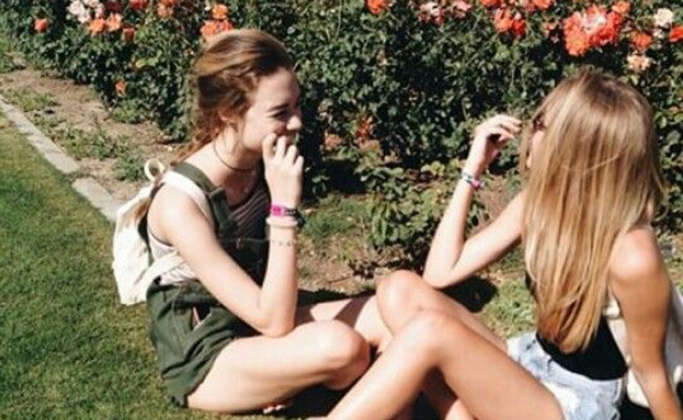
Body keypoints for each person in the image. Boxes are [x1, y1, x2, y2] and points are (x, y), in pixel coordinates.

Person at [322, 70, 682, 420]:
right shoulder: (538, 206)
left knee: (430, 332)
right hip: (531, 363)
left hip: (577, 403)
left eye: (540, 125)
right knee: (399, 289)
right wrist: (473, 167)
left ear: (574, 150)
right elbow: (440, 273)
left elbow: (653, 376)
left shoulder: (631, 253)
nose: (530, 133)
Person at [143, 29, 392, 413]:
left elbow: (272, 314)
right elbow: (274, 322)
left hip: (259, 326)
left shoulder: (261, 164)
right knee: (343, 348)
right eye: (280, 113)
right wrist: (284, 208)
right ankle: (296, 381)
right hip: (209, 358)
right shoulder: (180, 203)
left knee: (392, 315)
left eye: (296, 105)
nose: (296, 122)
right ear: (228, 112)